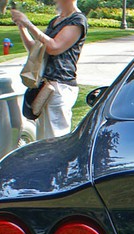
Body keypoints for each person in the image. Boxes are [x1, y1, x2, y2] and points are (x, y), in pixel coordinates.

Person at [11, 0, 87, 140]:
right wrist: (22, 27)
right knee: (43, 140)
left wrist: (29, 24)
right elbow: (36, 50)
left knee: (55, 140)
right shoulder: (55, 21)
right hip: (44, 87)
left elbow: (54, 47)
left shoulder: (77, 20)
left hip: (60, 86)